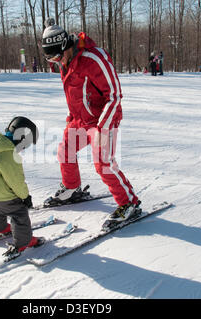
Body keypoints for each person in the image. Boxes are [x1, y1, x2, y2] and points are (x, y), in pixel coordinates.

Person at [41, 18, 140, 223]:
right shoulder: (65, 61)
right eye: (52, 60)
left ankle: (128, 203)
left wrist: (103, 127)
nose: (57, 62)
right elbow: (75, 93)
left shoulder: (94, 58)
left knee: (103, 163)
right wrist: (71, 119)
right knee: (64, 150)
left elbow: (114, 95)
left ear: (65, 46)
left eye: (57, 57)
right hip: (81, 119)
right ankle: (71, 189)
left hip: (103, 118)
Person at [0, 116, 43, 260]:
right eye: (27, 144)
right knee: (19, 213)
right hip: (2, 195)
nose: (25, 148)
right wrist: (25, 197)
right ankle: (24, 242)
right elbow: (16, 181)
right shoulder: (10, 155)